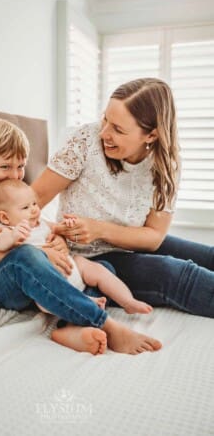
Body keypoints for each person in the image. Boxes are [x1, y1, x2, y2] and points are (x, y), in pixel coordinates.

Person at [0, 116, 162, 356]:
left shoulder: (14, 192)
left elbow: (41, 225)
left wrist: (58, 239)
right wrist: (41, 254)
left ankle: (69, 328)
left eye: (20, 167)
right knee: (27, 255)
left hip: (26, 276)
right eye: (5, 167)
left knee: (98, 269)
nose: (15, 175)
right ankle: (107, 324)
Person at [31, 77, 214, 319]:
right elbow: (31, 203)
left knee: (208, 256)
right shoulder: (86, 141)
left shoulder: (165, 164)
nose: (104, 133)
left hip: (131, 242)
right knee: (177, 274)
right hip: (89, 257)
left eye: (118, 129)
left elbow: (153, 238)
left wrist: (98, 229)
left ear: (151, 135)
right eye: (105, 119)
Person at [0, 178, 152, 315]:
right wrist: (13, 236)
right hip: (50, 280)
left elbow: (59, 229)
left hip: (71, 267)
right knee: (44, 301)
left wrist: (68, 224)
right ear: (5, 217)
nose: (34, 210)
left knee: (98, 268)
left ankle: (127, 301)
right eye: (25, 207)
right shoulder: (6, 229)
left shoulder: (42, 223)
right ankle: (86, 301)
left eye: (34, 204)